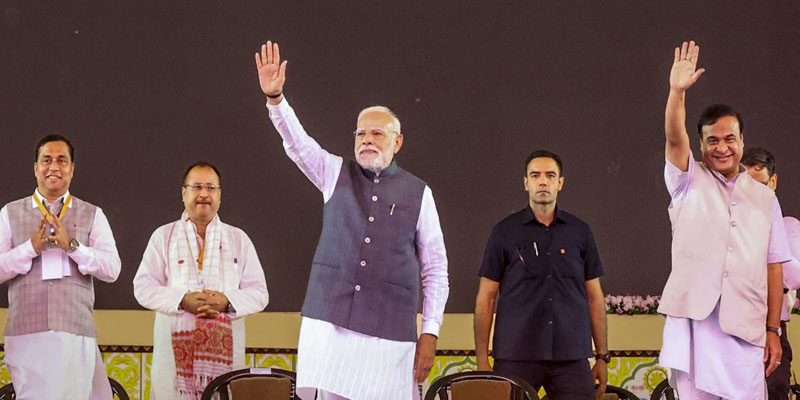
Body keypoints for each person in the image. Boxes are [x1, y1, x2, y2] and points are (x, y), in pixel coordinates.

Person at [255, 40, 449, 400]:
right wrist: (276, 99)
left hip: (390, 332)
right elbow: (298, 144)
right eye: (361, 133)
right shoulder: (333, 173)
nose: (367, 140)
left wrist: (430, 331)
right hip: (331, 324)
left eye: (377, 133)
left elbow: (436, 269)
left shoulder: (419, 193)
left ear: (398, 142)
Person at [658, 40, 792, 399]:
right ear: (701, 146)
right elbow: (674, 137)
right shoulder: (688, 180)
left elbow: (774, 266)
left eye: (730, 138)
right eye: (712, 140)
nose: (722, 147)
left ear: (742, 141)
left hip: (746, 329)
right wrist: (677, 92)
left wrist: (773, 330)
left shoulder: (765, 197)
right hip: (695, 325)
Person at [473, 150, 608, 399]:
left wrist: (601, 355)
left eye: (550, 175)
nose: (543, 181)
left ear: (560, 183)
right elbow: (486, 298)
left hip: (571, 356)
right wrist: (482, 358)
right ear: (526, 183)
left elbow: (594, 297)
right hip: (515, 354)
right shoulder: (504, 232)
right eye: (535, 176)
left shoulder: (580, 232)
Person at [133, 162, 269, 399]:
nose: (204, 194)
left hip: (225, 362)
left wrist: (227, 301)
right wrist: (182, 300)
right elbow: (143, 287)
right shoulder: (163, 236)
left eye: (211, 188)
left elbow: (259, 293)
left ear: (219, 195)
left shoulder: (238, 239)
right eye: (197, 187)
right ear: (183, 193)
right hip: (173, 364)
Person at [0, 134, 121, 399]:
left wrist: (72, 246)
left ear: (72, 169)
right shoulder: (10, 213)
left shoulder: (92, 213)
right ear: (36, 168)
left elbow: (112, 269)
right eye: (46, 160)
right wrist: (29, 248)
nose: (53, 166)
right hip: (27, 333)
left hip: (74, 330)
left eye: (61, 160)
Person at [742, 147, 800, 400]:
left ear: (773, 182)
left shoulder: (789, 227)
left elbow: (793, 276)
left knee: (775, 390)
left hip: (772, 330)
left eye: (760, 186)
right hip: (734, 329)